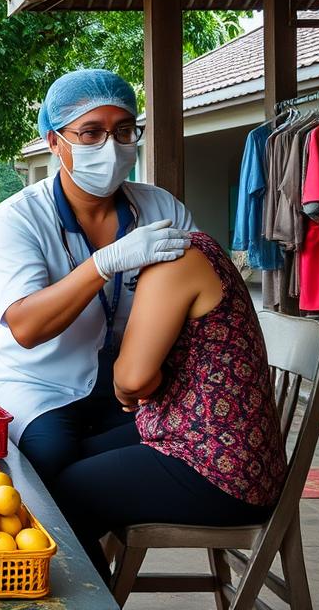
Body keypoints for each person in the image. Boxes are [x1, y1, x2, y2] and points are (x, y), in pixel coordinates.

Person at [0, 69, 195, 485]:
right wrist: (102, 264)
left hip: (133, 385)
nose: (110, 146)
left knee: (171, 444)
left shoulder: (162, 209)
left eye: (124, 130)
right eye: (91, 132)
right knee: (50, 456)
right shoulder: (19, 217)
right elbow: (25, 327)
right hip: (39, 382)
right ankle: (70, 545)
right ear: (55, 142)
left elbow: (197, 294)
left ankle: (98, 536)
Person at [52, 232, 287, 579]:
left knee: (66, 495)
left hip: (222, 471)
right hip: (211, 443)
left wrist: (144, 382)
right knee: (68, 457)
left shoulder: (177, 258)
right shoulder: (201, 249)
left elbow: (132, 380)